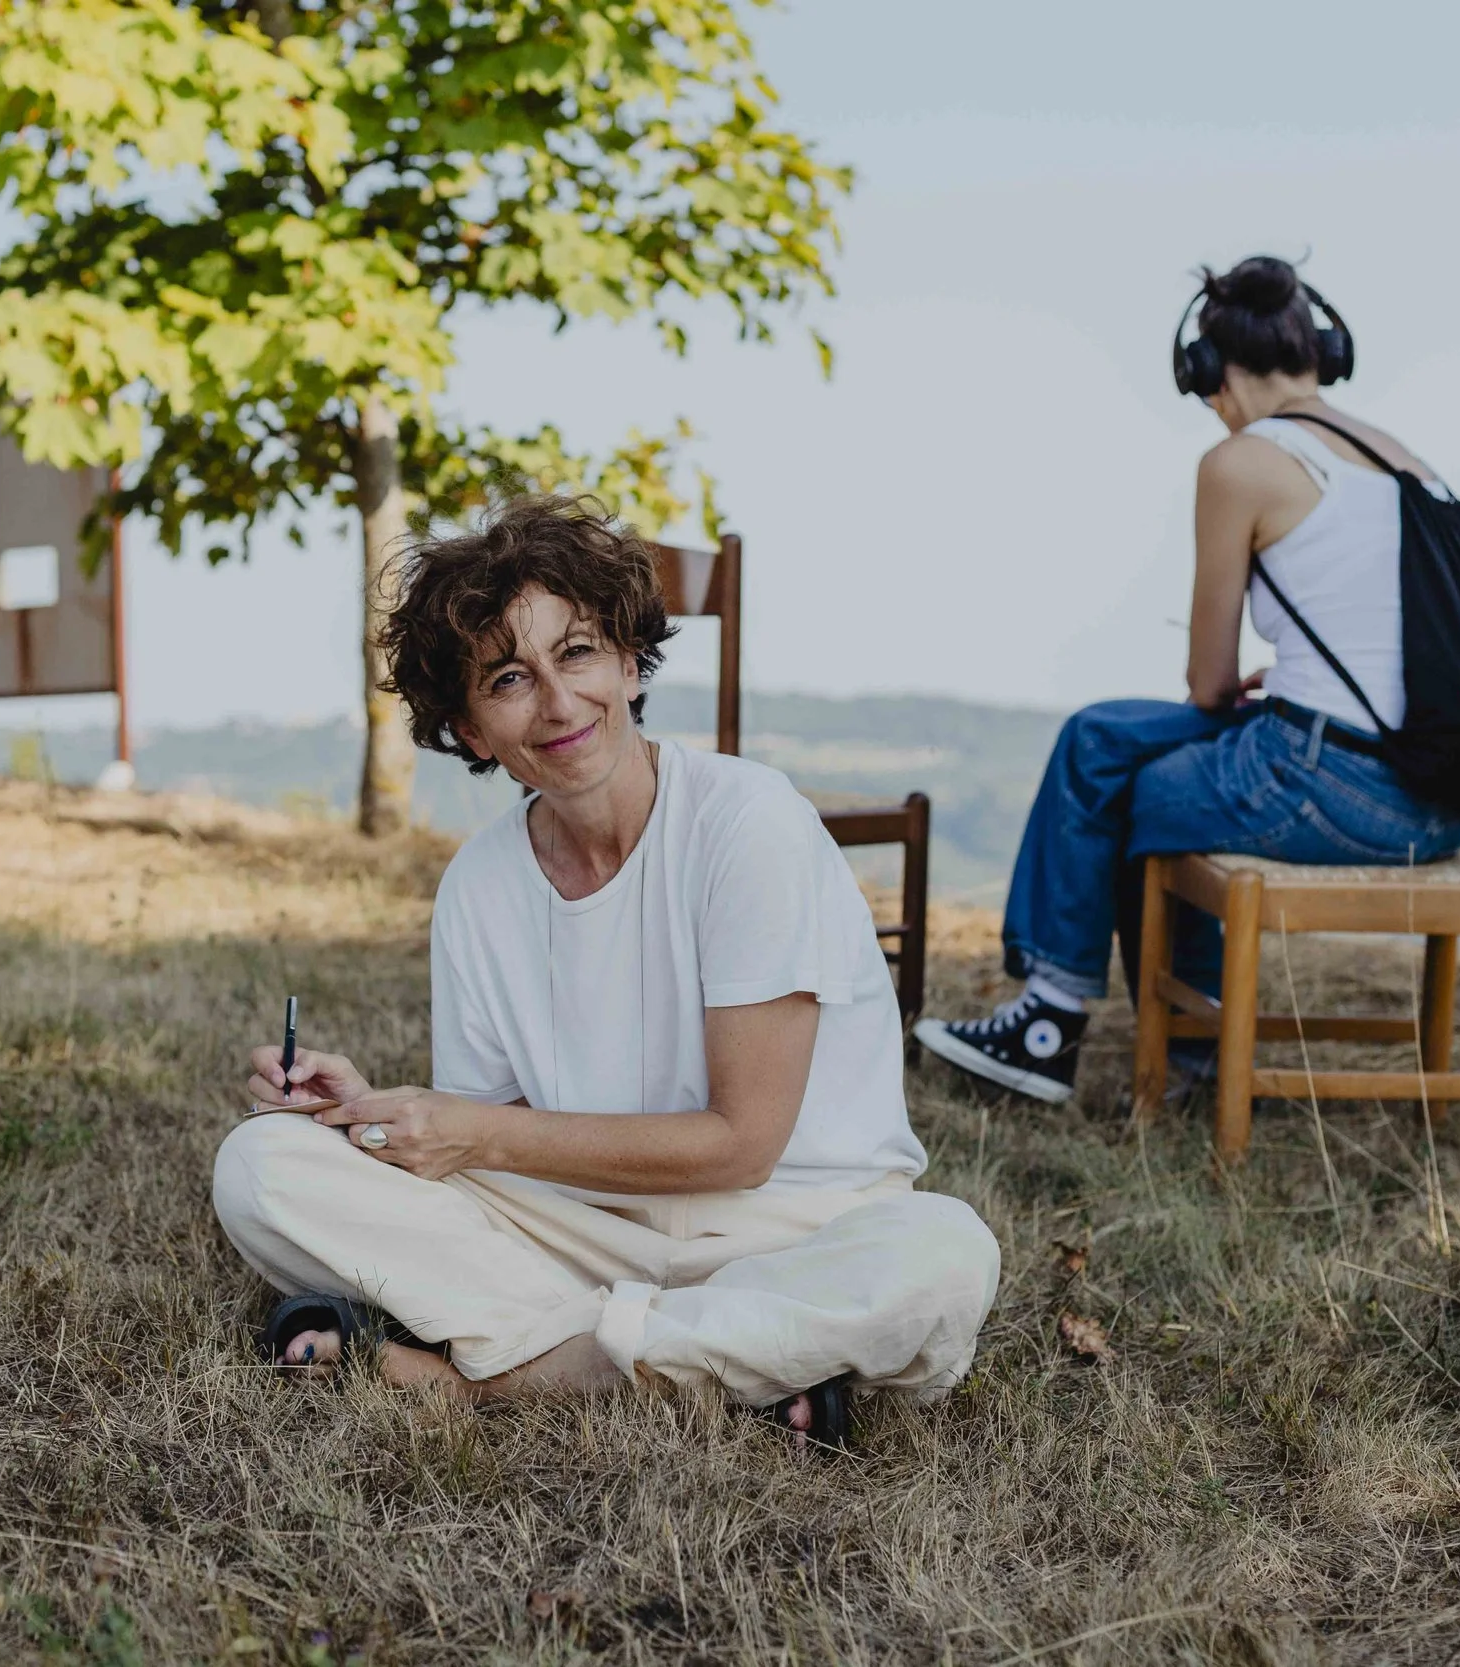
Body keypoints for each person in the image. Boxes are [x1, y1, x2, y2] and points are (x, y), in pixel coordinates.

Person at [211, 496, 1000, 1445]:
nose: (557, 701)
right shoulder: (479, 887)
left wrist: (474, 1137)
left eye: (577, 652)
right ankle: (731, 1369)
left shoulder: (748, 823)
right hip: (576, 1229)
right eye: (508, 677)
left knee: (944, 1256)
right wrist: (377, 1116)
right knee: (261, 1163)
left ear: (630, 663)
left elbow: (742, 1145)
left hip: (791, 1226)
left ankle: (495, 1382)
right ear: (469, 730)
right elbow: (495, 1142)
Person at [913, 255, 1460, 1105]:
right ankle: (1100, 1023)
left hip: (1339, 783)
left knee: (1144, 781)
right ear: (1325, 351)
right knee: (1099, 734)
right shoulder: (1407, 462)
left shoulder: (1243, 462)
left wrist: (1256, 694)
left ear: (1213, 374)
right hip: (1440, 789)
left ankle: (1103, 1031)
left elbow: (1208, 685)